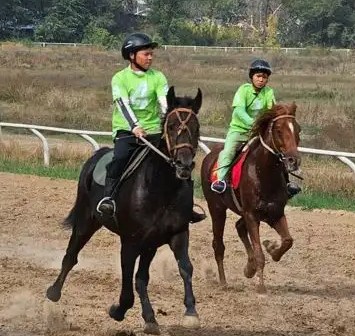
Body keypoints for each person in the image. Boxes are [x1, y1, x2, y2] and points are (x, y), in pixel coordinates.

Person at [95, 32, 205, 224]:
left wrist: (172, 121)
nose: (150, 57)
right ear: (132, 55)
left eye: (151, 54)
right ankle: (109, 198)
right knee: (119, 158)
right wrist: (135, 127)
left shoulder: (158, 77)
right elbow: (122, 105)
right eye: (146, 54)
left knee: (180, 160)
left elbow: (165, 103)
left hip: (154, 131)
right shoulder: (120, 78)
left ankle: (186, 205)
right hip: (126, 131)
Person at [209, 59, 301, 198]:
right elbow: (239, 112)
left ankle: (286, 183)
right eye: (258, 76)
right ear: (252, 77)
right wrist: (254, 123)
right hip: (239, 131)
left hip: (258, 132)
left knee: (277, 153)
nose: (261, 79)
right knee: (228, 152)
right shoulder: (243, 90)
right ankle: (220, 180)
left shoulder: (269, 92)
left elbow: (273, 111)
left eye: (264, 77)